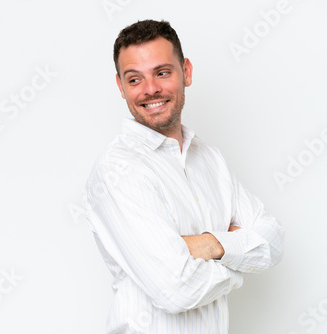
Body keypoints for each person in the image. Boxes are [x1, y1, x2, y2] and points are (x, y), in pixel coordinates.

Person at [83, 19, 285, 334]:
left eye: (162, 73)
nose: (150, 89)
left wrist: (209, 245)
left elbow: (272, 240)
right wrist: (237, 265)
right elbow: (175, 289)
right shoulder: (117, 171)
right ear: (121, 86)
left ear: (186, 72)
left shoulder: (210, 160)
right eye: (135, 79)